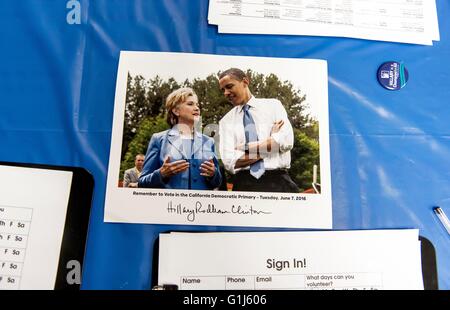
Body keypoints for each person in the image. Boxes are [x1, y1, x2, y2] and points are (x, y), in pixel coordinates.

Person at [218, 68, 299, 192]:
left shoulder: (274, 106)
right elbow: (230, 162)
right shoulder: (225, 121)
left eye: (229, 86)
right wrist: (271, 143)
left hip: (278, 182)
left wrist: (245, 147)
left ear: (245, 82)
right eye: (223, 90)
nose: (226, 93)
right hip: (243, 186)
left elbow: (286, 141)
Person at [139, 88, 222, 190]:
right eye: (190, 104)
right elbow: (142, 182)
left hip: (201, 205)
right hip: (170, 205)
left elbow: (217, 182)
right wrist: (161, 174)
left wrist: (213, 174)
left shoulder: (209, 141)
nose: (197, 108)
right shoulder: (158, 139)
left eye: (197, 105)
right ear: (176, 111)